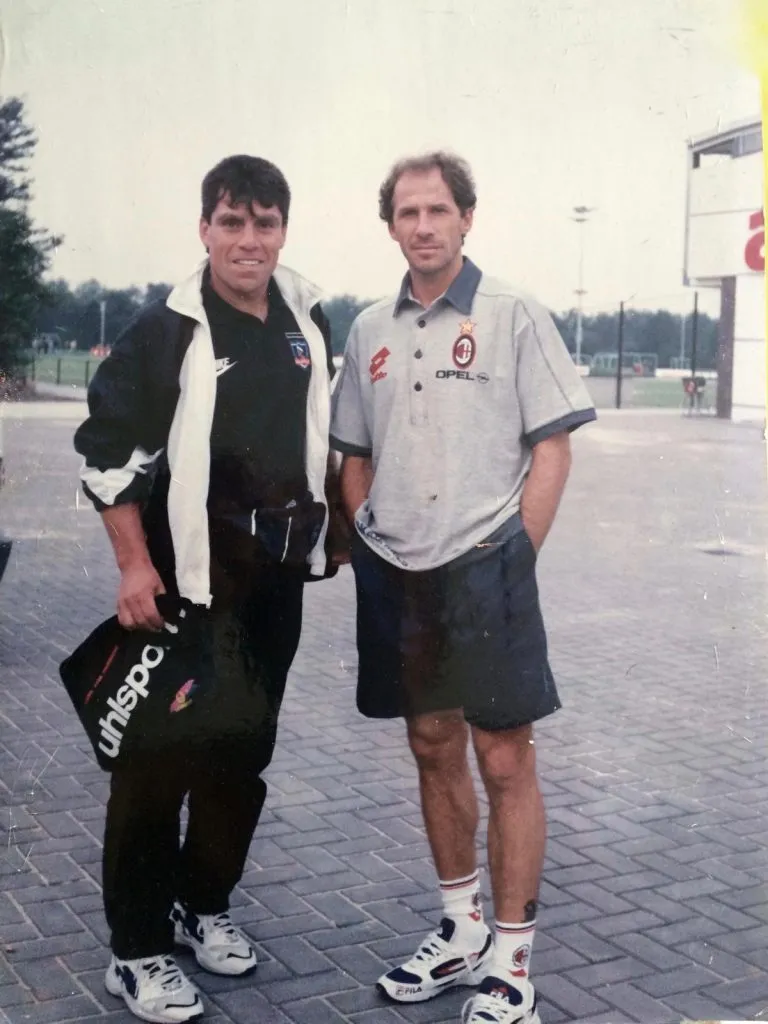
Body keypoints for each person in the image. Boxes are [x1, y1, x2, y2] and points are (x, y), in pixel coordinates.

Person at [75, 154, 345, 1023]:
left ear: (282, 232)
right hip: (187, 588)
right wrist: (132, 565)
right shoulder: (168, 330)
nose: (248, 239)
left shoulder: (309, 318)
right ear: (204, 229)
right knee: (157, 768)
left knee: (241, 758)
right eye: (231, 222)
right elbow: (108, 455)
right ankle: (138, 950)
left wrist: (332, 533)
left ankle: (203, 905)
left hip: (275, 590)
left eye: (264, 223)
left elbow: (322, 438)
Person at [330, 152, 596, 1024]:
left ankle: (513, 959)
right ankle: (459, 930)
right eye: (406, 212)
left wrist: (518, 550)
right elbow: (353, 453)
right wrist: (369, 534)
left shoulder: (513, 314)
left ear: (466, 217)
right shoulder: (370, 326)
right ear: (392, 225)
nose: (423, 226)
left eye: (437, 209)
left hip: (487, 566)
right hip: (399, 575)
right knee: (433, 745)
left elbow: (552, 445)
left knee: (505, 757)